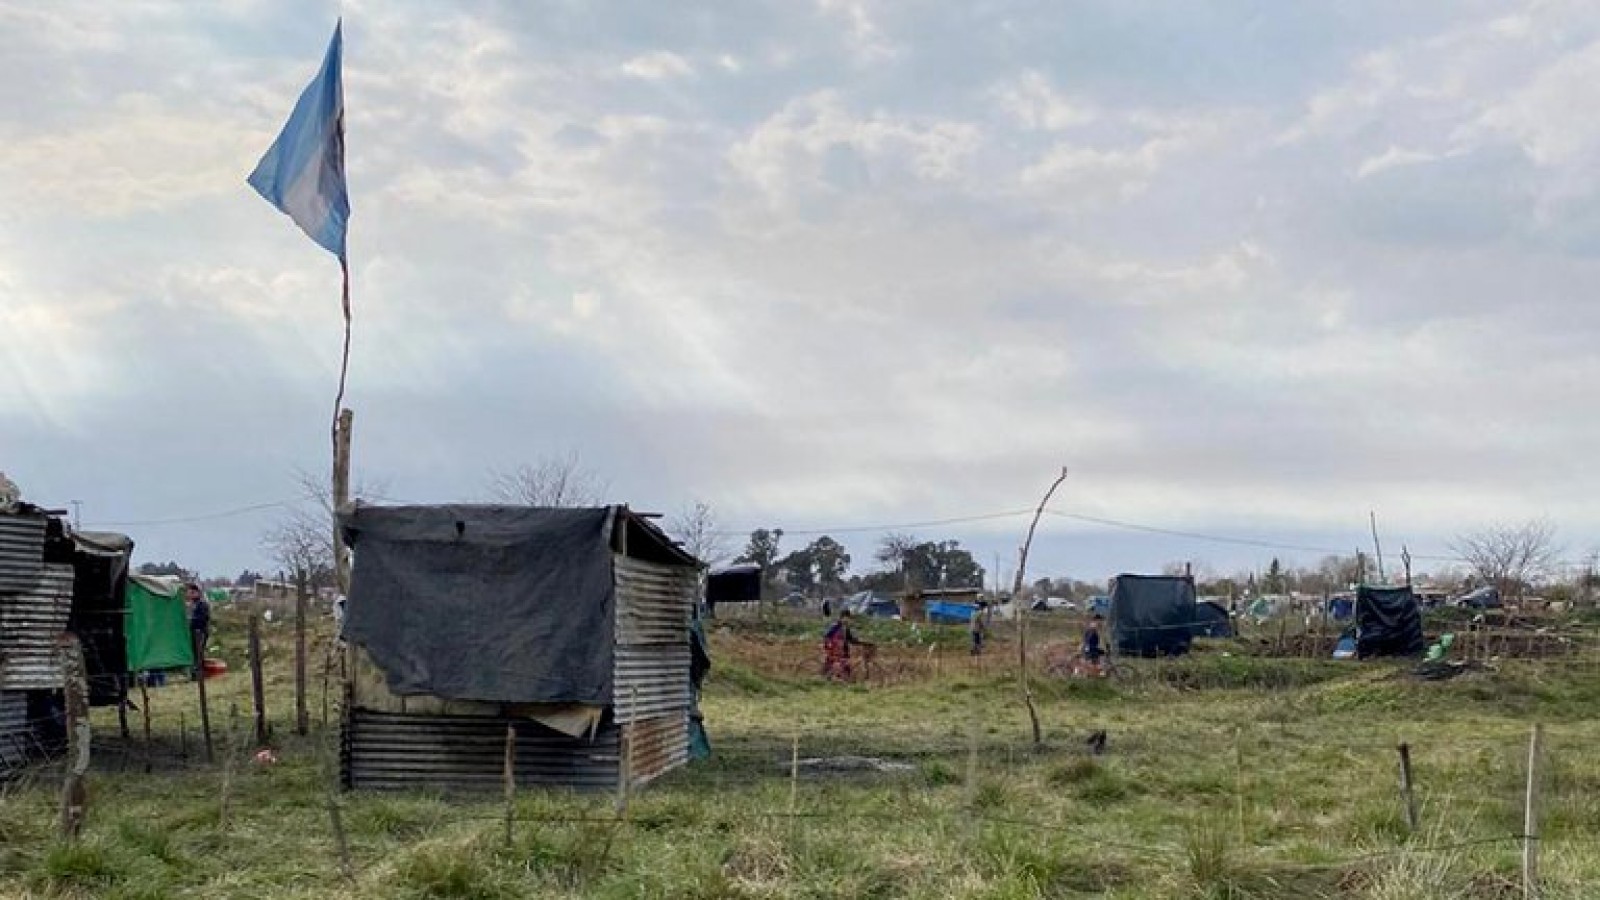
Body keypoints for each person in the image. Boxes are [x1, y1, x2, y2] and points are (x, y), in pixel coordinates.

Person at [822, 610, 862, 680]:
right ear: (841, 618)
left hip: (844, 649)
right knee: (832, 665)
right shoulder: (836, 626)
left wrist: (861, 643)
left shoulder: (846, 628)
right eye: (845, 618)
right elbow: (827, 636)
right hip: (835, 649)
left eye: (848, 618)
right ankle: (827, 678)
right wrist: (829, 645)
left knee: (846, 665)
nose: (847, 620)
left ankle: (846, 679)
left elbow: (850, 639)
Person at [187, 582, 210, 679]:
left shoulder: (202, 604)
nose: (190, 595)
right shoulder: (192, 604)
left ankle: (199, 674)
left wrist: (191, 620)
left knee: (199, 652)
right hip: (194, 631)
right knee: (195, 653)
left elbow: (204, 618)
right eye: (189, 593)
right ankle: (195, 673)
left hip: (200, 631)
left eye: (192, 593)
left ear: (197, 593)